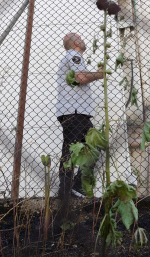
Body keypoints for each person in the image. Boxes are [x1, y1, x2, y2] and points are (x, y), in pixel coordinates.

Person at [56, 33, 104, 198]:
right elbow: (81, 77)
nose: (84, 40)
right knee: (71, 150)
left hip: (78, 113)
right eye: (81, 38)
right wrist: (99, 75)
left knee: (94, 148)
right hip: (73, 112)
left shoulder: (74, 57)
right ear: (76, 42)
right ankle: (65, 191)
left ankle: (75, 187)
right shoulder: (74, 55)